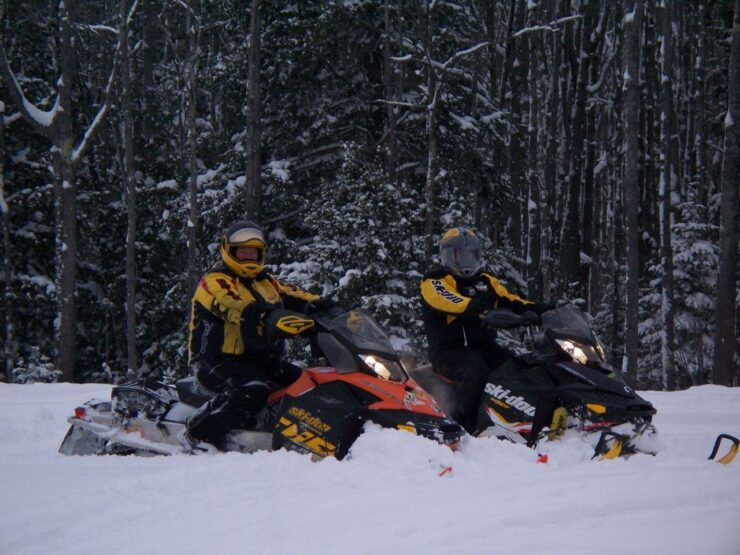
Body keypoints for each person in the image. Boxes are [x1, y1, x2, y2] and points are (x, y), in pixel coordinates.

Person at [184, 220, 336, 449]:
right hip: (217, 359)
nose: (248, 257)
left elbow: (294, 295)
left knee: (310, 384)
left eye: (252, 252)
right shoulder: (215, 281)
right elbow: (233, 305)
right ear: (229, 250)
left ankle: (309, 437)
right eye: (242, 251)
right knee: (252, 390)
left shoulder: (265, 282)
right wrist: (269, 317)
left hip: (262, 359)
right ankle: (200, 434)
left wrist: (326, 307)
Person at [419, 227, 553, 434]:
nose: (465, 260)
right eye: (459, 255)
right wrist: (474, 307)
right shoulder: (435, 281)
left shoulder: (485, 281)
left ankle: (527, 420)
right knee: (475, 370)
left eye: (469, 255)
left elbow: (510, 300)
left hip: (485, 348)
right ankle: (463, 427)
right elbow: (445, 299)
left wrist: (538, 310)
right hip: (450, 352)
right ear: (446, 255)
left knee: (519, 367)